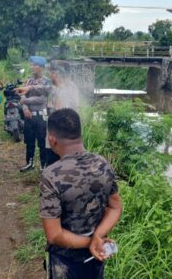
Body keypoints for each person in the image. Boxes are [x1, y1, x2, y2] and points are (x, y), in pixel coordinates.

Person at [40, 108, 122, 279]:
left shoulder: (51, 175)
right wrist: (97, 238)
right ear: (79, 133)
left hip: (65, 259)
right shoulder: (102, 163)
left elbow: (54, 235)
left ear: (52, 138)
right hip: (97, 254)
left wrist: (91, 242)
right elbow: (115, 208)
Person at [16, 60, 79, 166]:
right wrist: (29, 88)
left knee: (59, 164)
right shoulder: (54, 87)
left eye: (51, 72)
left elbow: (70, 114)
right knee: (50, 160)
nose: (49, 75)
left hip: (63, 137)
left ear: (58, 74)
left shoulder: (69, 89)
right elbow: (43, 88)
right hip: (54, 136)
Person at [19, 56, 51, 172]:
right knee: (29, 141)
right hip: (29, 115)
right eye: (32, 65)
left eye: (35, 65)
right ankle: (29, 163)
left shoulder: (46, 82)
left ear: (41, 67)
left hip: (40, 115)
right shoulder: (29, 81)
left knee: (42, 141)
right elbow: (22, 94)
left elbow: (42, 99)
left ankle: (43, 165)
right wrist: (25, 108)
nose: (32, 67)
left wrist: (25, 101)